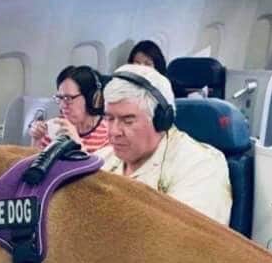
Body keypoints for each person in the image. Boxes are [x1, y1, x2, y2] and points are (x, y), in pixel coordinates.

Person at [98, 64, 232, 224]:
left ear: (161, 120)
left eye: (128, 121)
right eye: (109, 119)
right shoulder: (102, 159)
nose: (114, 132)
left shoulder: (200, 165)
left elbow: (184, 239)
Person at [29, 65, 109, 153]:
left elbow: (101, 167)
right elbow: (38, 165)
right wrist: (37, 140)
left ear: (90, 99)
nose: (62, 105)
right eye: (60, 98)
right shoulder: (56, 127)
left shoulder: (108, 134)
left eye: (68, 98)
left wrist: (76, 143)